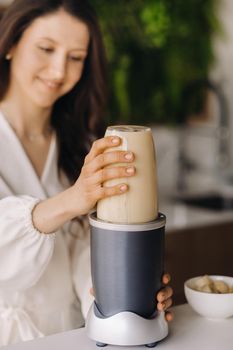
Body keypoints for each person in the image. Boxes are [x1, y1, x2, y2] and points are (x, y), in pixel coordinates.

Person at [0, 0, 173, 346]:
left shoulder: (77, 143)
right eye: (46, 49)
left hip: (72, 336)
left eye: (76, 57)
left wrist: (120, 296)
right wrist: (72, 200)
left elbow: (83, 252)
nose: (59, 70)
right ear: (12, 44)